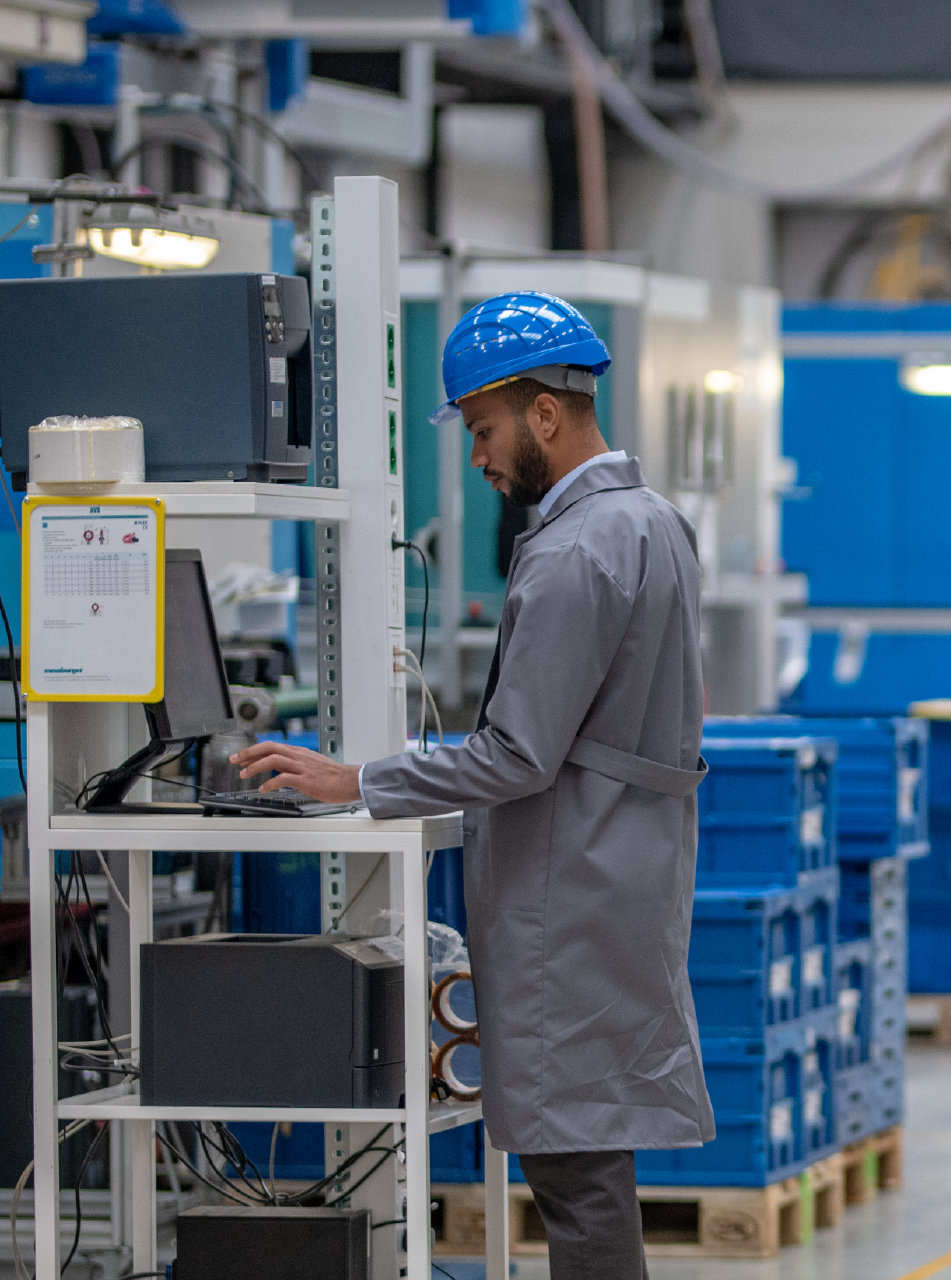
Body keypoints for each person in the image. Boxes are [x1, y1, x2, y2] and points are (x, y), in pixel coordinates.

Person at [232, 291, 712, 1279]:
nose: (479, 454)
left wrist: (355, 777)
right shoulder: (653, 523)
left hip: (567, 892)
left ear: (544, 414)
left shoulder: (574, 552)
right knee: (589, 1158)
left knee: (576, 1174)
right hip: (620, 870)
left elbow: (516, 754)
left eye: (485, 428)